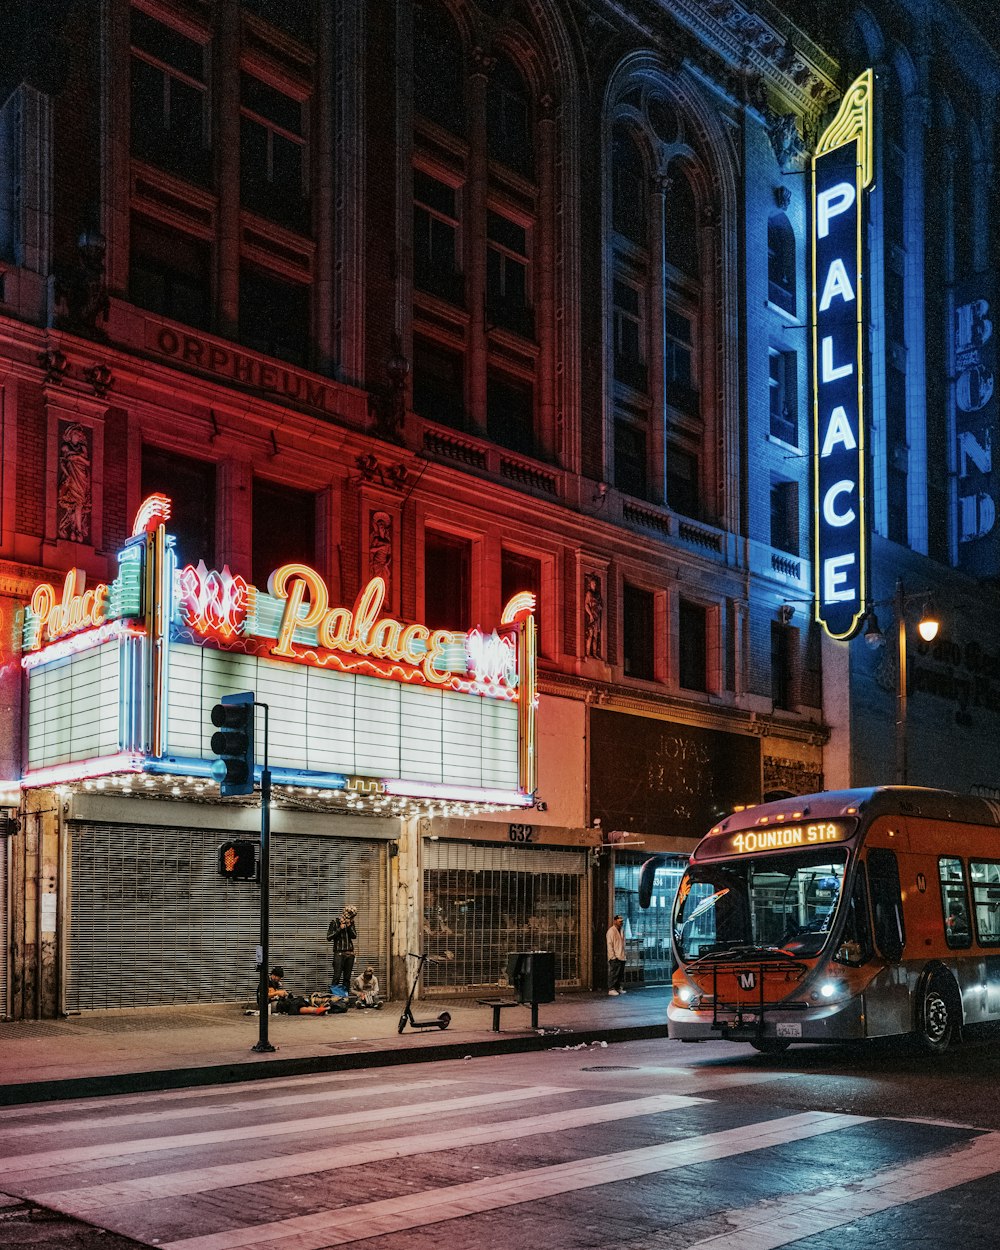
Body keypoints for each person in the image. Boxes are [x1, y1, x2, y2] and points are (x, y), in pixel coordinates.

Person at [327, 904, 358, 991]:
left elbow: (354, 936)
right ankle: (333, 996)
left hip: (350, 953)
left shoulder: (351, 923)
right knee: (337, 976)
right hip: (339, 953)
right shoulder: (335, 922)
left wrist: (349, 926)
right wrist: (339, 929)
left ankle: (345, 997)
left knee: (347, 978)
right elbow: (329, 937)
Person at [607, 914, 626, 995]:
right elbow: (609, 944)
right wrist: (612, 956)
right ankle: (611, 988)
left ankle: (618, 987)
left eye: (621, 921)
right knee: (614, 973)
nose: (621, 923)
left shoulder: (621, 930)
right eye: (619, 921)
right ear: (615, 921)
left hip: (621, 955)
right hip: (615, 956)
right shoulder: (611, 931)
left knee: (619, 974)